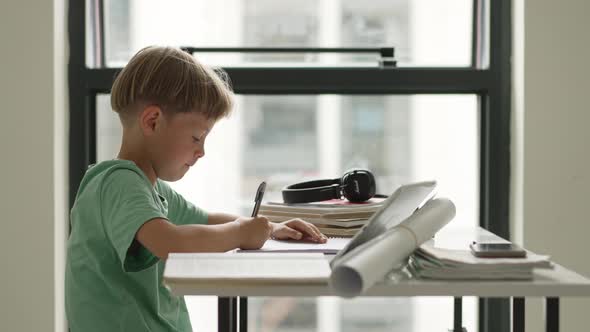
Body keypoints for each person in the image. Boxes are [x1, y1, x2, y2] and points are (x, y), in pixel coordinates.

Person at [65, 46, 327, 332]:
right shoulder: (118, 183)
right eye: (196, 137)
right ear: (152, 121)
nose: (201, 151)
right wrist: (241, 233)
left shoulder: (151, 190)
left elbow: (205, 220)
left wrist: (269, 227)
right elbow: (171, 242)